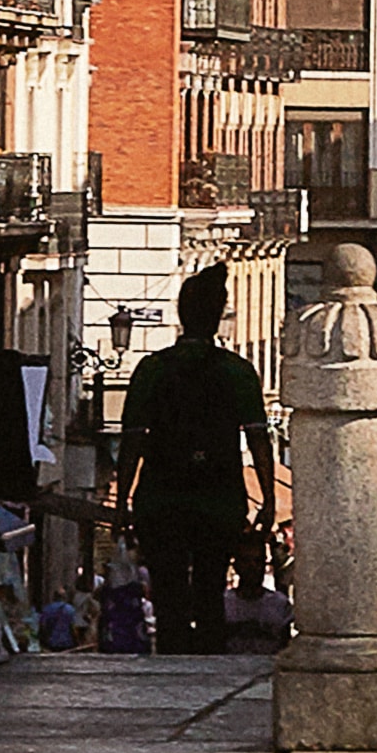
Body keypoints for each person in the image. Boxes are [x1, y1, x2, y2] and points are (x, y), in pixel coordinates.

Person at [112, 264, 279, 653]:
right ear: (217, 316)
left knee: (168, 595)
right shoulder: (238, 372)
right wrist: (268, 498)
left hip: (160, 500)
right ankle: (207, 664)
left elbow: (132, 442)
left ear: (181, 314)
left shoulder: (151, 369)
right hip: (219, 502)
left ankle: (172, 663)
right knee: (210, 590)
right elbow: (259, 440)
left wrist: (122, 502)